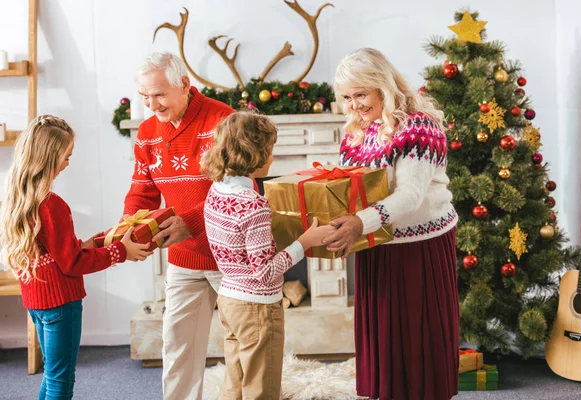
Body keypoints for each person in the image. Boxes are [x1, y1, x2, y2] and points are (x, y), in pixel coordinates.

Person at [323, 48, 459, 400]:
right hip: (375, 241)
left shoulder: (418, 125)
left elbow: (410, 195)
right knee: (383, 340)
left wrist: (358, 222)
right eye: (347, 97)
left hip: (420, 245)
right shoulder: (356, 131)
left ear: (381, 86)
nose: (354, 104)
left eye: (361, 94)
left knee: (418, 342)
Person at [0, 115, 150, 400]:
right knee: (61, 380)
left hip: (38, 303)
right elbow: (71, 263)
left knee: (53, 374)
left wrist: (90, 243)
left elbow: (54, 252)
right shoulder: (51, 204)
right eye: (66, 157)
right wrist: (120, 252)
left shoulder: (20, 200)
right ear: (49, 158)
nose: (68, 163)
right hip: (60, 304)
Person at [123, 51, 234, 399]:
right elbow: (142, 191)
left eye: (159, 94)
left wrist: (190, 221)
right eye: (145, 96)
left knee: (243, 344)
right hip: (184, 259)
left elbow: (238, 188)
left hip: (231, 254)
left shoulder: (224, 120)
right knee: (177, 345)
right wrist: (128, 226)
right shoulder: (146, 132)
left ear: (185, 85)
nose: (152, 103)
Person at [202, 112, 335, 399]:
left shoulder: (215, 192)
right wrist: (304, 242)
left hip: (228, 298)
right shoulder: (254, 205)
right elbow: (265, 271)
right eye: (270, 151)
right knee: (262, 387)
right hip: (258, 308)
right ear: (255, 153)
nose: (273, 159)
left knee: (235, 381)